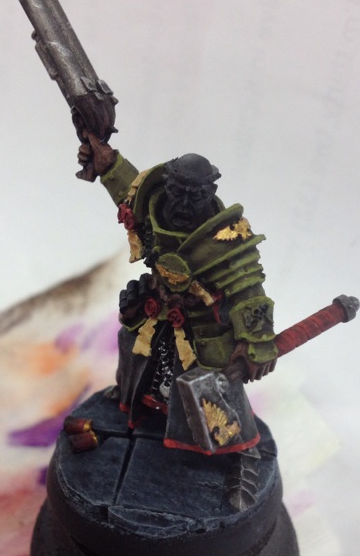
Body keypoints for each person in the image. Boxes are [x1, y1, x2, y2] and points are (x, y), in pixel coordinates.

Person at [78, 133, 278, 509]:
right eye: (177, 192)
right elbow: (126, 189)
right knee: (133, 342)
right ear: (167, 186)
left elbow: (250, 293)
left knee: (215, 386)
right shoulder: (152, 208)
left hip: (206, 329)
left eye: (195, 196)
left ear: (210, 192)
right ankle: (133, 400)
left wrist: (257, 344)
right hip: (160, 310)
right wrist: (109, 164)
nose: (184, 204)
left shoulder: (228, 240)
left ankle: (243, 456)